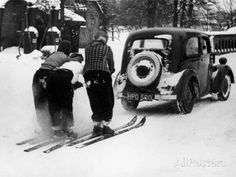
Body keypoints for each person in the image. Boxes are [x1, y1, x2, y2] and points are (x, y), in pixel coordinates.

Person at [32, 40, 79, 136]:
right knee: (56, 101)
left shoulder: (53, 55)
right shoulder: (66, 58)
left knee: (41, 102)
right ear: (67, 50)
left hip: (38, 76)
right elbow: (71, 68)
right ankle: (64, 127)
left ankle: (45, 127)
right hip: (49, 76)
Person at [83, 30, 115, 135]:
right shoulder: (107, 48)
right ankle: (105, 125)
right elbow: (111, 64)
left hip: (88, 76)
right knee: (107, 99)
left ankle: (97, 125)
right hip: (102, 75)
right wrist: (111, 71)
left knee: (94, 99)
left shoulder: (87, 48)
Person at [46, 54, 83, 138]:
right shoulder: (79, 65)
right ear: (80, 60)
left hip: (51, 77)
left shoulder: (65, 64)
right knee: (66, 105)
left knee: (54, 104)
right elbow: (72, 82)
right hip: (64, 78)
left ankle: (56, 130)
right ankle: (68, 130)